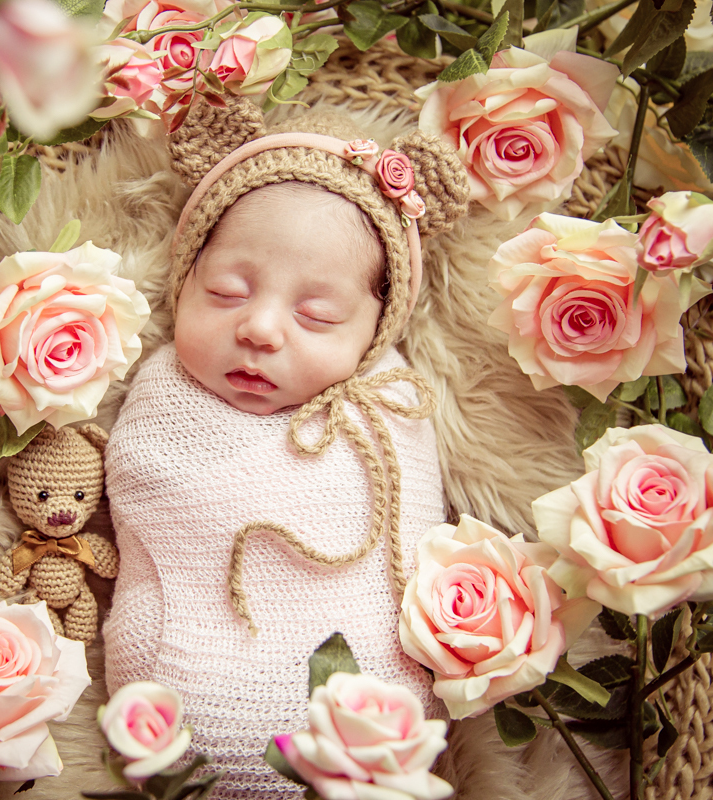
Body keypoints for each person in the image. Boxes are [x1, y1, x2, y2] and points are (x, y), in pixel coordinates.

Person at [102, 98, 468, 797]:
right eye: (225, 292)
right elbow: (147, 494)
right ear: (184, 283)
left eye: (317, 315)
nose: (262, 329)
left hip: (367, 730)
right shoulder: (164, 394)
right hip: (175, 705)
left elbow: (413, 536)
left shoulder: (388, 406)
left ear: (374, 333)